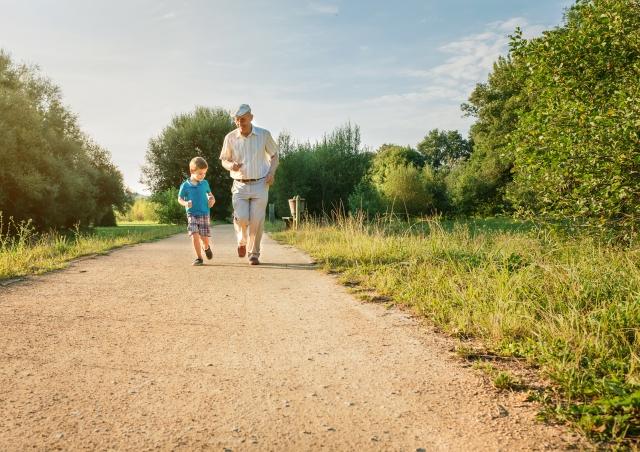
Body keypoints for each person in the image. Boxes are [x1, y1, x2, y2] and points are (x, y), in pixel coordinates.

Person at [219, 104, 279, 265]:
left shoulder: (264, 135)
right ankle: (242, 240)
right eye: (237, 120)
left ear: (251, 117)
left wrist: (271, 173)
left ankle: (254, 254)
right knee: (242, 218)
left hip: (260, 183)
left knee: (257, 221)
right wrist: (231, 165)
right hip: (239, 184)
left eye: (243, 119)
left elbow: (274, 155)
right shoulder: (230, 138)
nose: (240, 123)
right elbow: (224, 159)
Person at [178, 157, 216, 266]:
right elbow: (179, 199)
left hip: (204, 213)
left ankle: (206, 247)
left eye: (204, 173)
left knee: (204, 239)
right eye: (200, 173)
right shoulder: (185, 186)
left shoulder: (205, 183)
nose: (202, 176)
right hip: (191, 214)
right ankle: (199, 258)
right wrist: (185, 203)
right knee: (194, 235)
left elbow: (210, 195)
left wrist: (212, 200)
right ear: (192, 171)